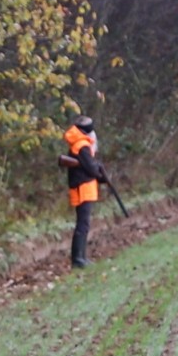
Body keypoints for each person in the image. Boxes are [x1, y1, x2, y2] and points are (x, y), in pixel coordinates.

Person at [59, 115, 109, 268]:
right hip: (84, 187)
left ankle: (81, 257)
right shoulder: (82, 145)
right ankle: (78, 259)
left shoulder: (78, 144)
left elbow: (86, 165)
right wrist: (101, 175)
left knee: (83, 223)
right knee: (83, 223)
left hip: (82, 186)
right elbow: (90, 168)